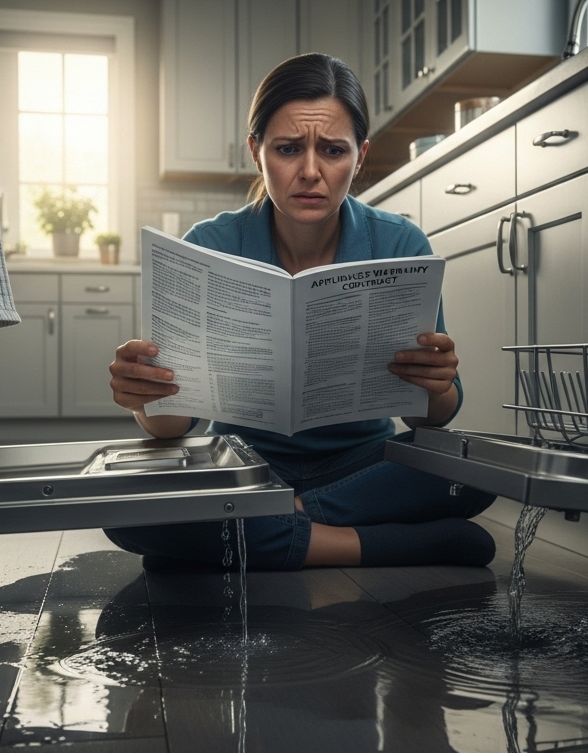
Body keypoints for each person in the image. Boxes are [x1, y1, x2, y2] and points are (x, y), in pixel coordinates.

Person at [106, 53, 496, 571]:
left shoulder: (400, 242)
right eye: (288, 149)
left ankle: (263, 530)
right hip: (244, 465)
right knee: (124, 509)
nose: (310, 171)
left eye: (333, 150)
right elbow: (176, 425)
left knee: (477, 466)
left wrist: (439, 383)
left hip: (363, 469)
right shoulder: (209, 246)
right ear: (256, 151)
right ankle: (362, 544)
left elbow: (434, 416)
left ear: (359, 157)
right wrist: (145, 398)